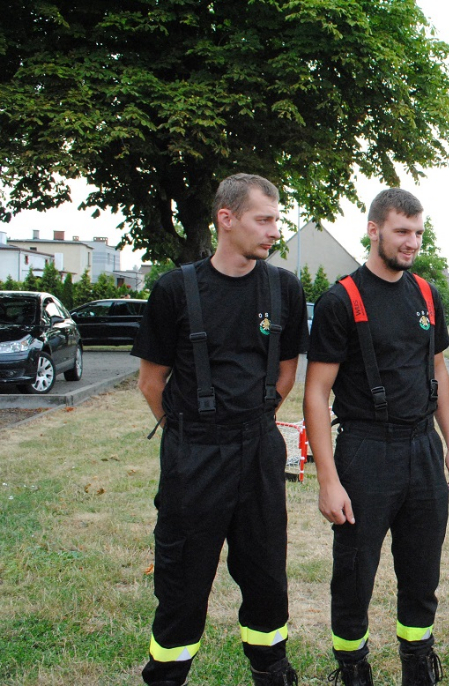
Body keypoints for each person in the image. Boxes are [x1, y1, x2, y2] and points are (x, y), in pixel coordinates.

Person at [132, 174, 309, 686]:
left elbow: (287, 373)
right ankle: (167, 674)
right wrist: (191, 431)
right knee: (183, 576)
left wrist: (252, 419)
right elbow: (151, 382)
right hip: (194, 453)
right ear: (226, 219)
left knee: (266, 573)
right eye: (264, 219)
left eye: (277, 219)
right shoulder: (175, 289)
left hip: (258, 448)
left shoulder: (284, 288)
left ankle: (271, 669)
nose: (274, 230)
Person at [303, 188, 449, 686]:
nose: (412, 242)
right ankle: (353, 668)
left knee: (422, 570)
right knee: (355, 572)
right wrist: (327, 480)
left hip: (423, 448)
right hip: (366, 450)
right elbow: (316, 393)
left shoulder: (426, 295)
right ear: (374, 230)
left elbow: (437, 372)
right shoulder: (340, 300)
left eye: (418, 232)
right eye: (402, 231)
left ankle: (418, 665)